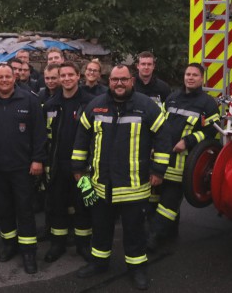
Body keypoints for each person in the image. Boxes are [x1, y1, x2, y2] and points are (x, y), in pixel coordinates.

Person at [71, 64, 171, 290]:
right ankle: (99, 263)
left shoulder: (147, 107)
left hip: (134, 185)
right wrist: (78, 167)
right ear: (109, 81)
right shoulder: (96, 107)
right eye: (115, 79)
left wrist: (158, 170)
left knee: (134, 230)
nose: (119, 83)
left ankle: (137, 268)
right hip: (101, 183)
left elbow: (164, 137)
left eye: (123, 79)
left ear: (131, 81)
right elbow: (81, 138)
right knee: (101, 227)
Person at [0, 64, 46, 274]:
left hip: (22, 168)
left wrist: (37, 160)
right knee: (2, 209)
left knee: (24, 209)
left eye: (8, 76)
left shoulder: (29, 100)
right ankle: (9, 244)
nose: (4, 80)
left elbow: (39, 133)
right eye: (0, 77)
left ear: (14, 77)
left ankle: (28, 251)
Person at [147, 63, 220, 251]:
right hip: (161, 160)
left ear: (202, 78)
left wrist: (187, 141)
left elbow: (212, 131)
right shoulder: (172, 98)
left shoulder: (208, 103)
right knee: (154, 199)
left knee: (168, 203)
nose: (190, 78)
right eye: (188, 74)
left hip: (183, 164)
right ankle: (170, 232)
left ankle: (153, 238)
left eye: (195, 75)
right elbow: (160, 123)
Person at [43, 62, 94, 263]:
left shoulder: (90, 103)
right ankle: (58, 244)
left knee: (83, 206)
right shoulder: (50, 105)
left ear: (78, 76)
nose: (66, 79)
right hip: (57, 166)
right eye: (62, 75)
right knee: (57, 206)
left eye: (70, 75)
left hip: (82, 168)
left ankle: (83, 245)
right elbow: (44, 138)